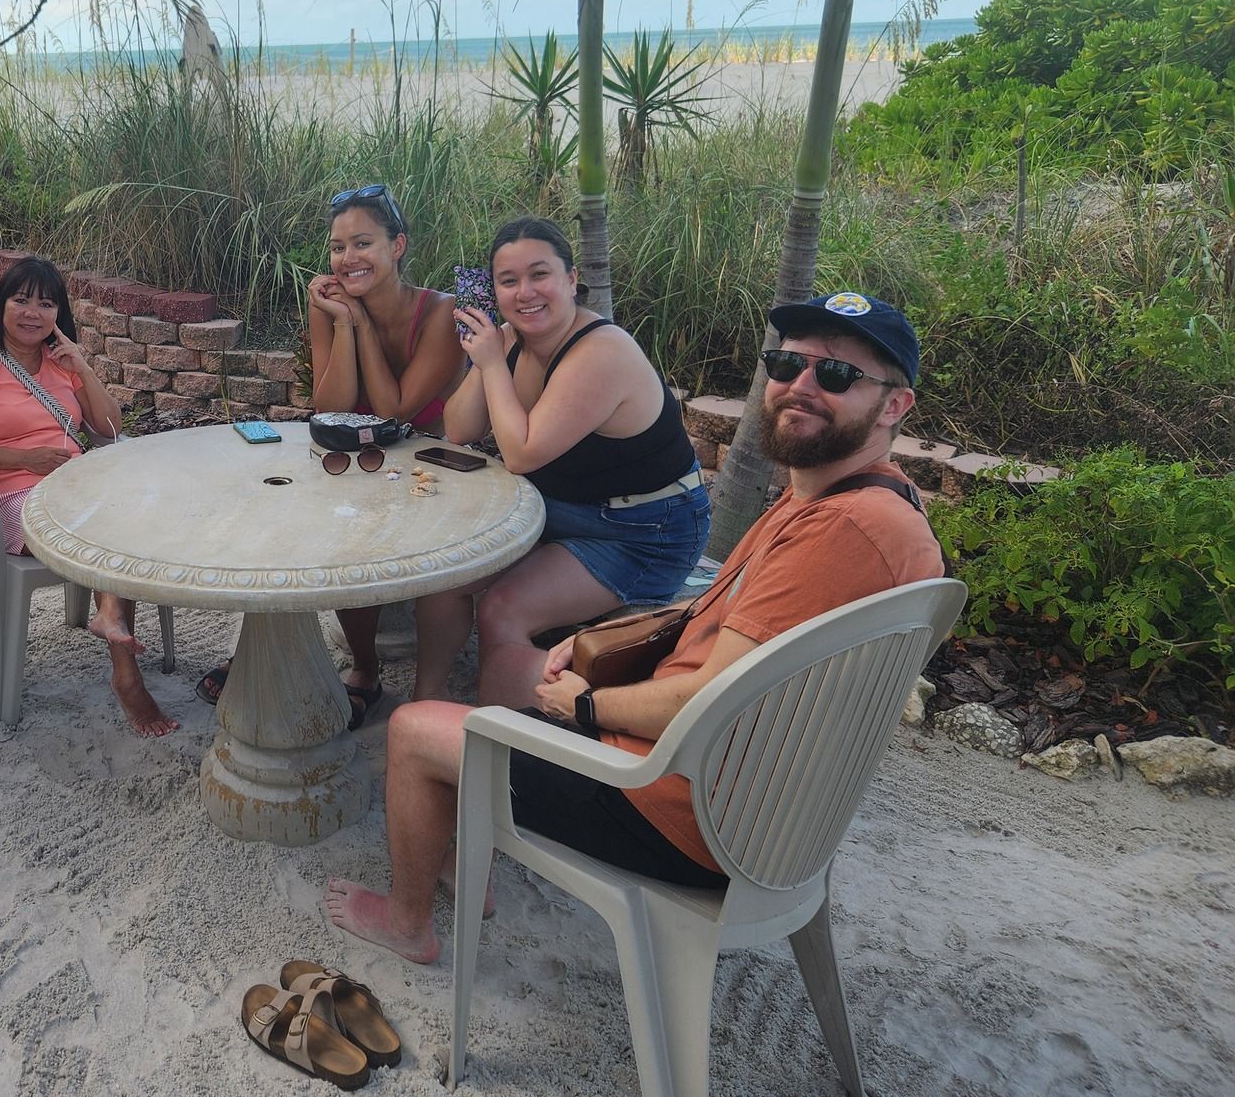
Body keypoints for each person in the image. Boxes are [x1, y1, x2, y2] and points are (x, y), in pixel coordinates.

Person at [324, 293, 946, 962]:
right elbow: (734, 626)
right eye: (787, 364)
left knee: (414, 731)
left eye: (836, 375)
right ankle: (467, 843)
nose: (800, 387)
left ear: (894, 406)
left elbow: (706, 700)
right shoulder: (871, 502)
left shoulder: (843, 530)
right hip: (748, 799)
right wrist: (622, 639)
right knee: (517, 668)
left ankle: (405, 922)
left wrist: (588, 705)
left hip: (681, 810)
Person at [197, 184, 466, 727]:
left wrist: (360, 323)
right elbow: (333, 404)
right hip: (355, 458)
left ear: (398, 246)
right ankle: (295, 653)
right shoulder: (329, 303)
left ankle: (369, 672)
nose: (347, 259)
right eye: (337, 247)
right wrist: (343, 321)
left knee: (353, 533)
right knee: (277, 509)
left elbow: (395, 411)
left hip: (422, 464)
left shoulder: (440, 313)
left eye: (362, 243)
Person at [416, 217, 709, 704]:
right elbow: (461, 429)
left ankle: (515, 735)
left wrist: (492, 365)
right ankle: (428, 699)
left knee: (501, 609)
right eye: (508, 281)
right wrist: (487, 354)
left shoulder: (602, 351)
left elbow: (522, 453)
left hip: (642, 530)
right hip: (562, 509)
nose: (525, 292)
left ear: (571, 280)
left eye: (540, 274)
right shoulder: (509, 340)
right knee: (445, 571)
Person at [0, 257, 178, 738]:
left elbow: (109, 429)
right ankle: (127, 676)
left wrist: (81, 366)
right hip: (13, 498)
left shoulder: (60, 365)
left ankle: (109, 615)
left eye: (45, 304)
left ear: (58, 315)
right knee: (109, 526)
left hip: (74, 488)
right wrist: (26, 461)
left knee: (137, 512)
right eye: (20, 300)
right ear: (0, 305)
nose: (32, 313)